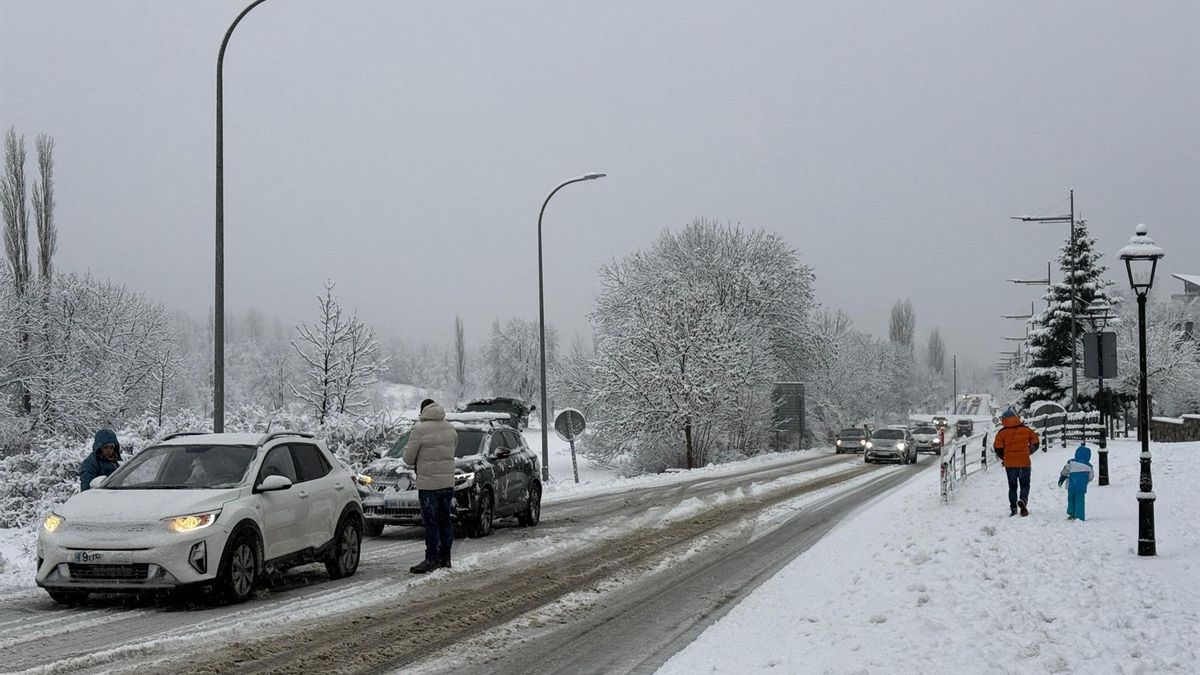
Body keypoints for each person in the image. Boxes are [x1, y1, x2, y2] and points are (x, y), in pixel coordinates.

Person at [403, 398, 458, 574]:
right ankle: (445, 558)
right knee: (445, 521)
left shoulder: (419, 429)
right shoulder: (450, 428)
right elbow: (453, 450)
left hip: (428, 485)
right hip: (447, 483)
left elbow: (408, 458)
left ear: (423, 411)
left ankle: (431, 559)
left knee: (431, 522)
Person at [993, 408, 1040, 517]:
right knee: (1025, 484)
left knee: (1012, 486)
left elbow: (997, 448)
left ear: (1004, 420)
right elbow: (1036, 442)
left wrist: (1004, 457)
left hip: (1010, 464)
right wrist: (1028, 452)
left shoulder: (1002, 433)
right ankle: (1023, 500)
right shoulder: (1026, 430)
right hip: (1024, 462)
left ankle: (1013, 508)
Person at [1058, 444, 1095, 521]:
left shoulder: (1072, 462)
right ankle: (1079, 516)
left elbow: (1065, 471)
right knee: (1080, 501)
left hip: (1072, 485)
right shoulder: (1089, 466)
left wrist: (1061, 479)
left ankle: (1071, 512)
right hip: (1081, 487)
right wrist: (1085, 481)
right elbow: (1091, 477)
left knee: (1071, 499)